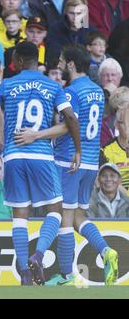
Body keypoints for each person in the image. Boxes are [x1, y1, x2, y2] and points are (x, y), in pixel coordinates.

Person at [15, 44, 118, 286]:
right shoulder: (96, 91)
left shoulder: (71, 92)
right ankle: (104, 252)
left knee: (61, 214)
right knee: (76, 215)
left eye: (61, 60)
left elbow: (67, 125)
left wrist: (36, 135)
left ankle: (52, 265)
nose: (58, 64)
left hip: (68, 160)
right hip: (91, 162)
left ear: (71, 64)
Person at [0, 41, 81, 286]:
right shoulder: (53, 86)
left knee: (20, 215)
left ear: (19, 60)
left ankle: (24, 273)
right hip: (41, 154)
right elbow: (70, 118)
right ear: (36, 59)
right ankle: (38, 254)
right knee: (56, 210)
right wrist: (78, 150)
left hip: (13, 154)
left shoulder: (7, 84)